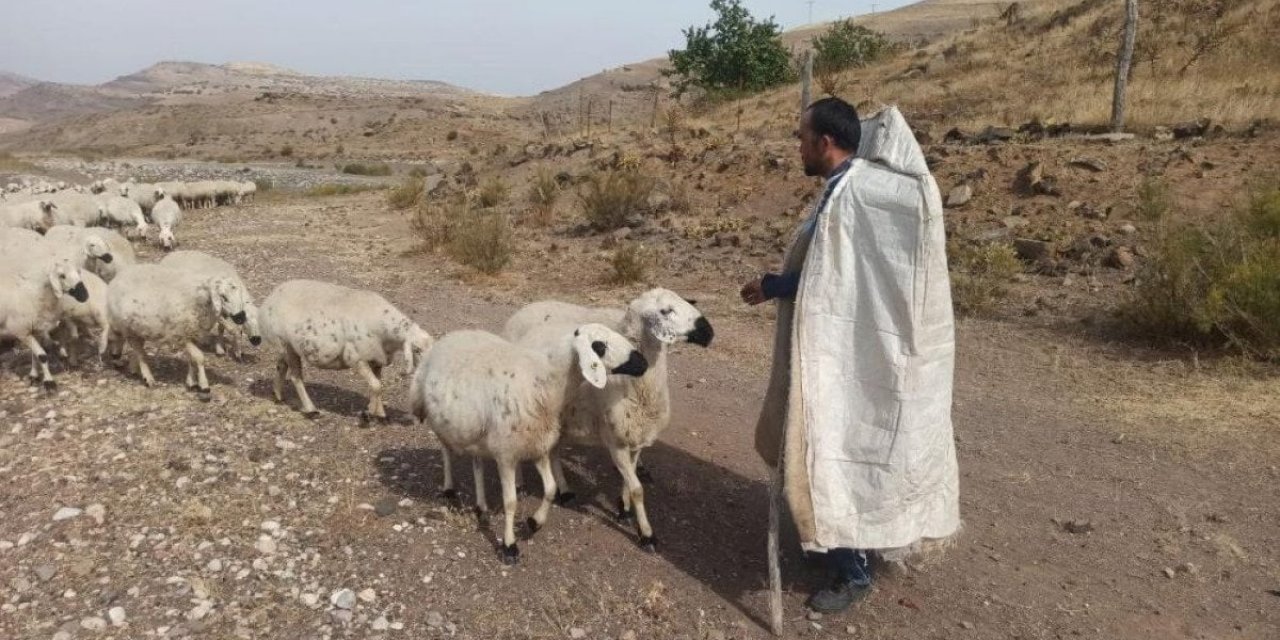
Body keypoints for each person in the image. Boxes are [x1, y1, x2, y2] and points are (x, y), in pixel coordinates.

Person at [742, 97, 960, 614]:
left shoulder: (862, 195)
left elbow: (858, 277)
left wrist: (778, 285)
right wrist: (775, 286)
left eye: (801, 138)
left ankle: (854, 572)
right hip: (831, 344)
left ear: (824, 142)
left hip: (855, 352)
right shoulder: (840, 193)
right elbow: (828, 271)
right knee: (824, 442)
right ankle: (834, 540)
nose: (798, 147)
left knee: (835, 441)